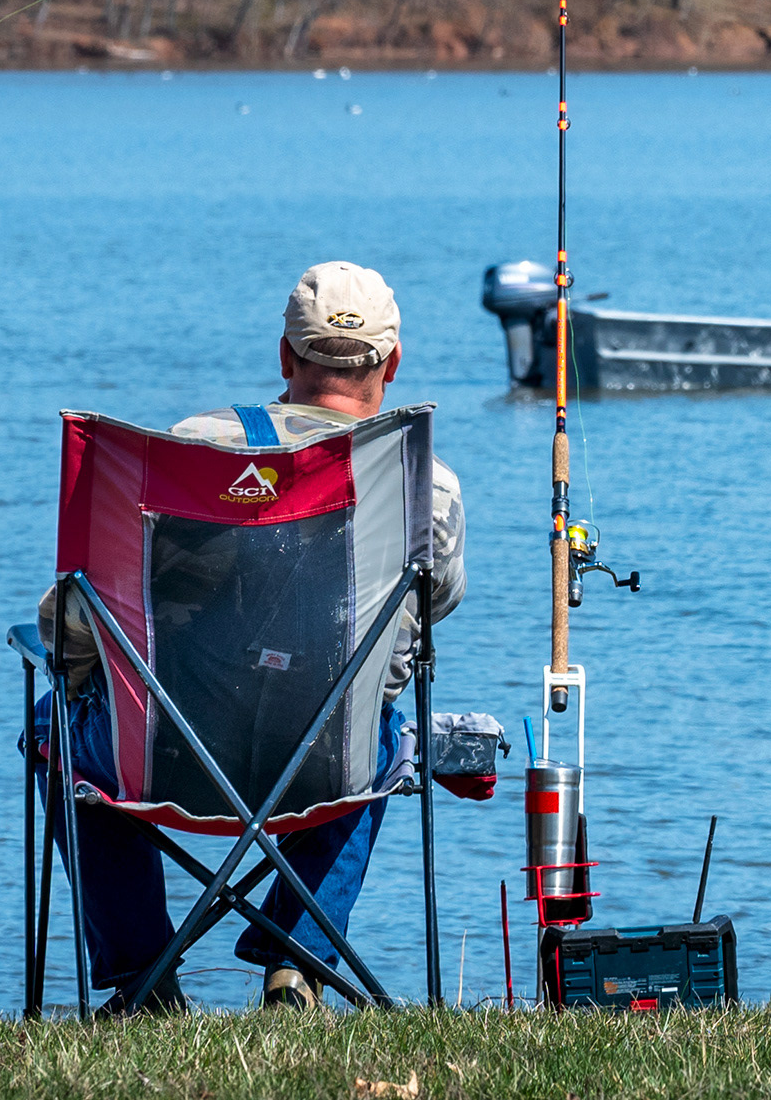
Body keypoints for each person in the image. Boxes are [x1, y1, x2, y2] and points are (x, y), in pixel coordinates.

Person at [31, 261, 466, 1013]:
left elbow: (84, 615)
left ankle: (146, 977)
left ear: (285, 357)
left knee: (54, 729)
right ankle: (295, 965)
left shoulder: (188, 456)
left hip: (164, 757)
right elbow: (432, 609)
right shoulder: (422, 485)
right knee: (382, 730)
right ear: (393, 364)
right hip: (332, 770)